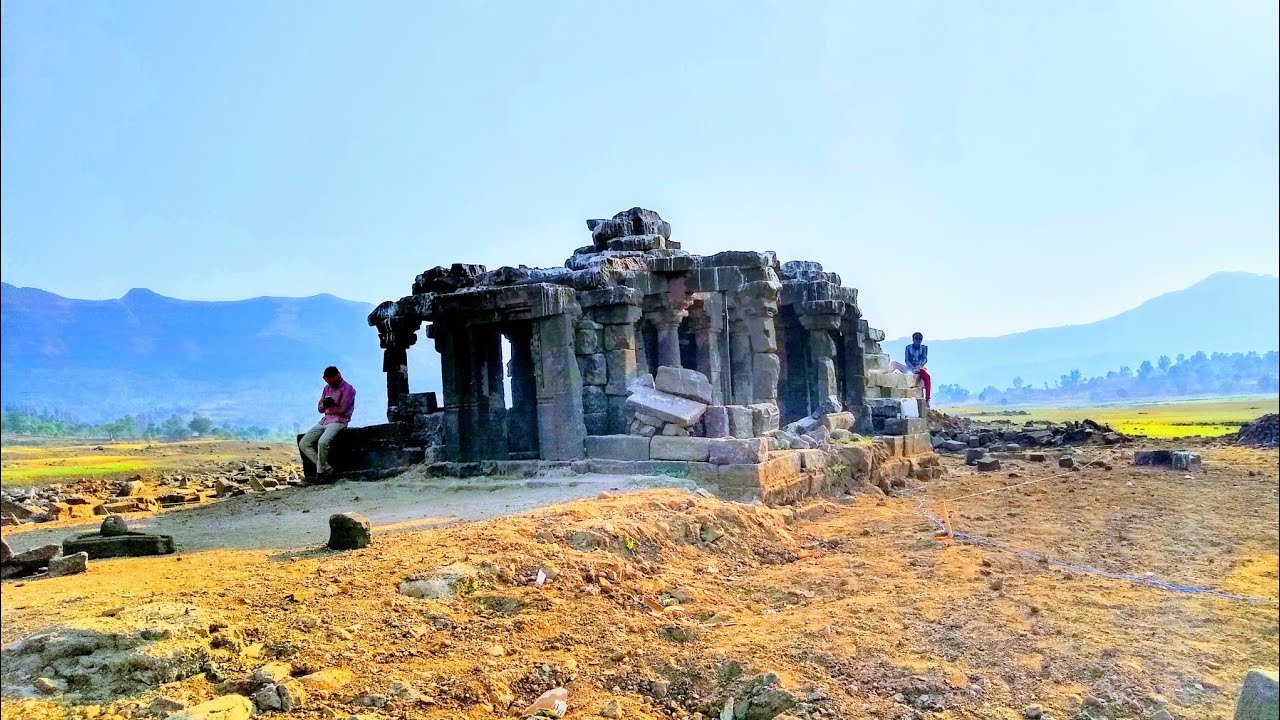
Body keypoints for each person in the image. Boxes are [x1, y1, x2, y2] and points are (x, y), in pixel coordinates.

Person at [299, 366, 355, 480]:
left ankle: (320, 473)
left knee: (322, 442)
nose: (330, 384)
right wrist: (325, 404)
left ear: (338, 376)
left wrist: (331, 404)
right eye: (327, 381)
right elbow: (320, 409)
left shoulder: (348, 389)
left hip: (340, 420)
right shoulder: (327, 388)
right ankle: (327, 468)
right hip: (325, 420)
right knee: (304, 443)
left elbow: (342, 409)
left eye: (331, 381)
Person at [904, 332, 931, 403]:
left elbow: (924, 359)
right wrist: (912, 367)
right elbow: (907, 360)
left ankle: (927, 399)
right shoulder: (908, 347)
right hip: (910, 367)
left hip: (919, 367)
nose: (918, 342)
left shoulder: (924, 348)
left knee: (927, 377)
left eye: (919, 341)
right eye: (916, 341)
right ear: (913, 340)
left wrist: (919, 366)